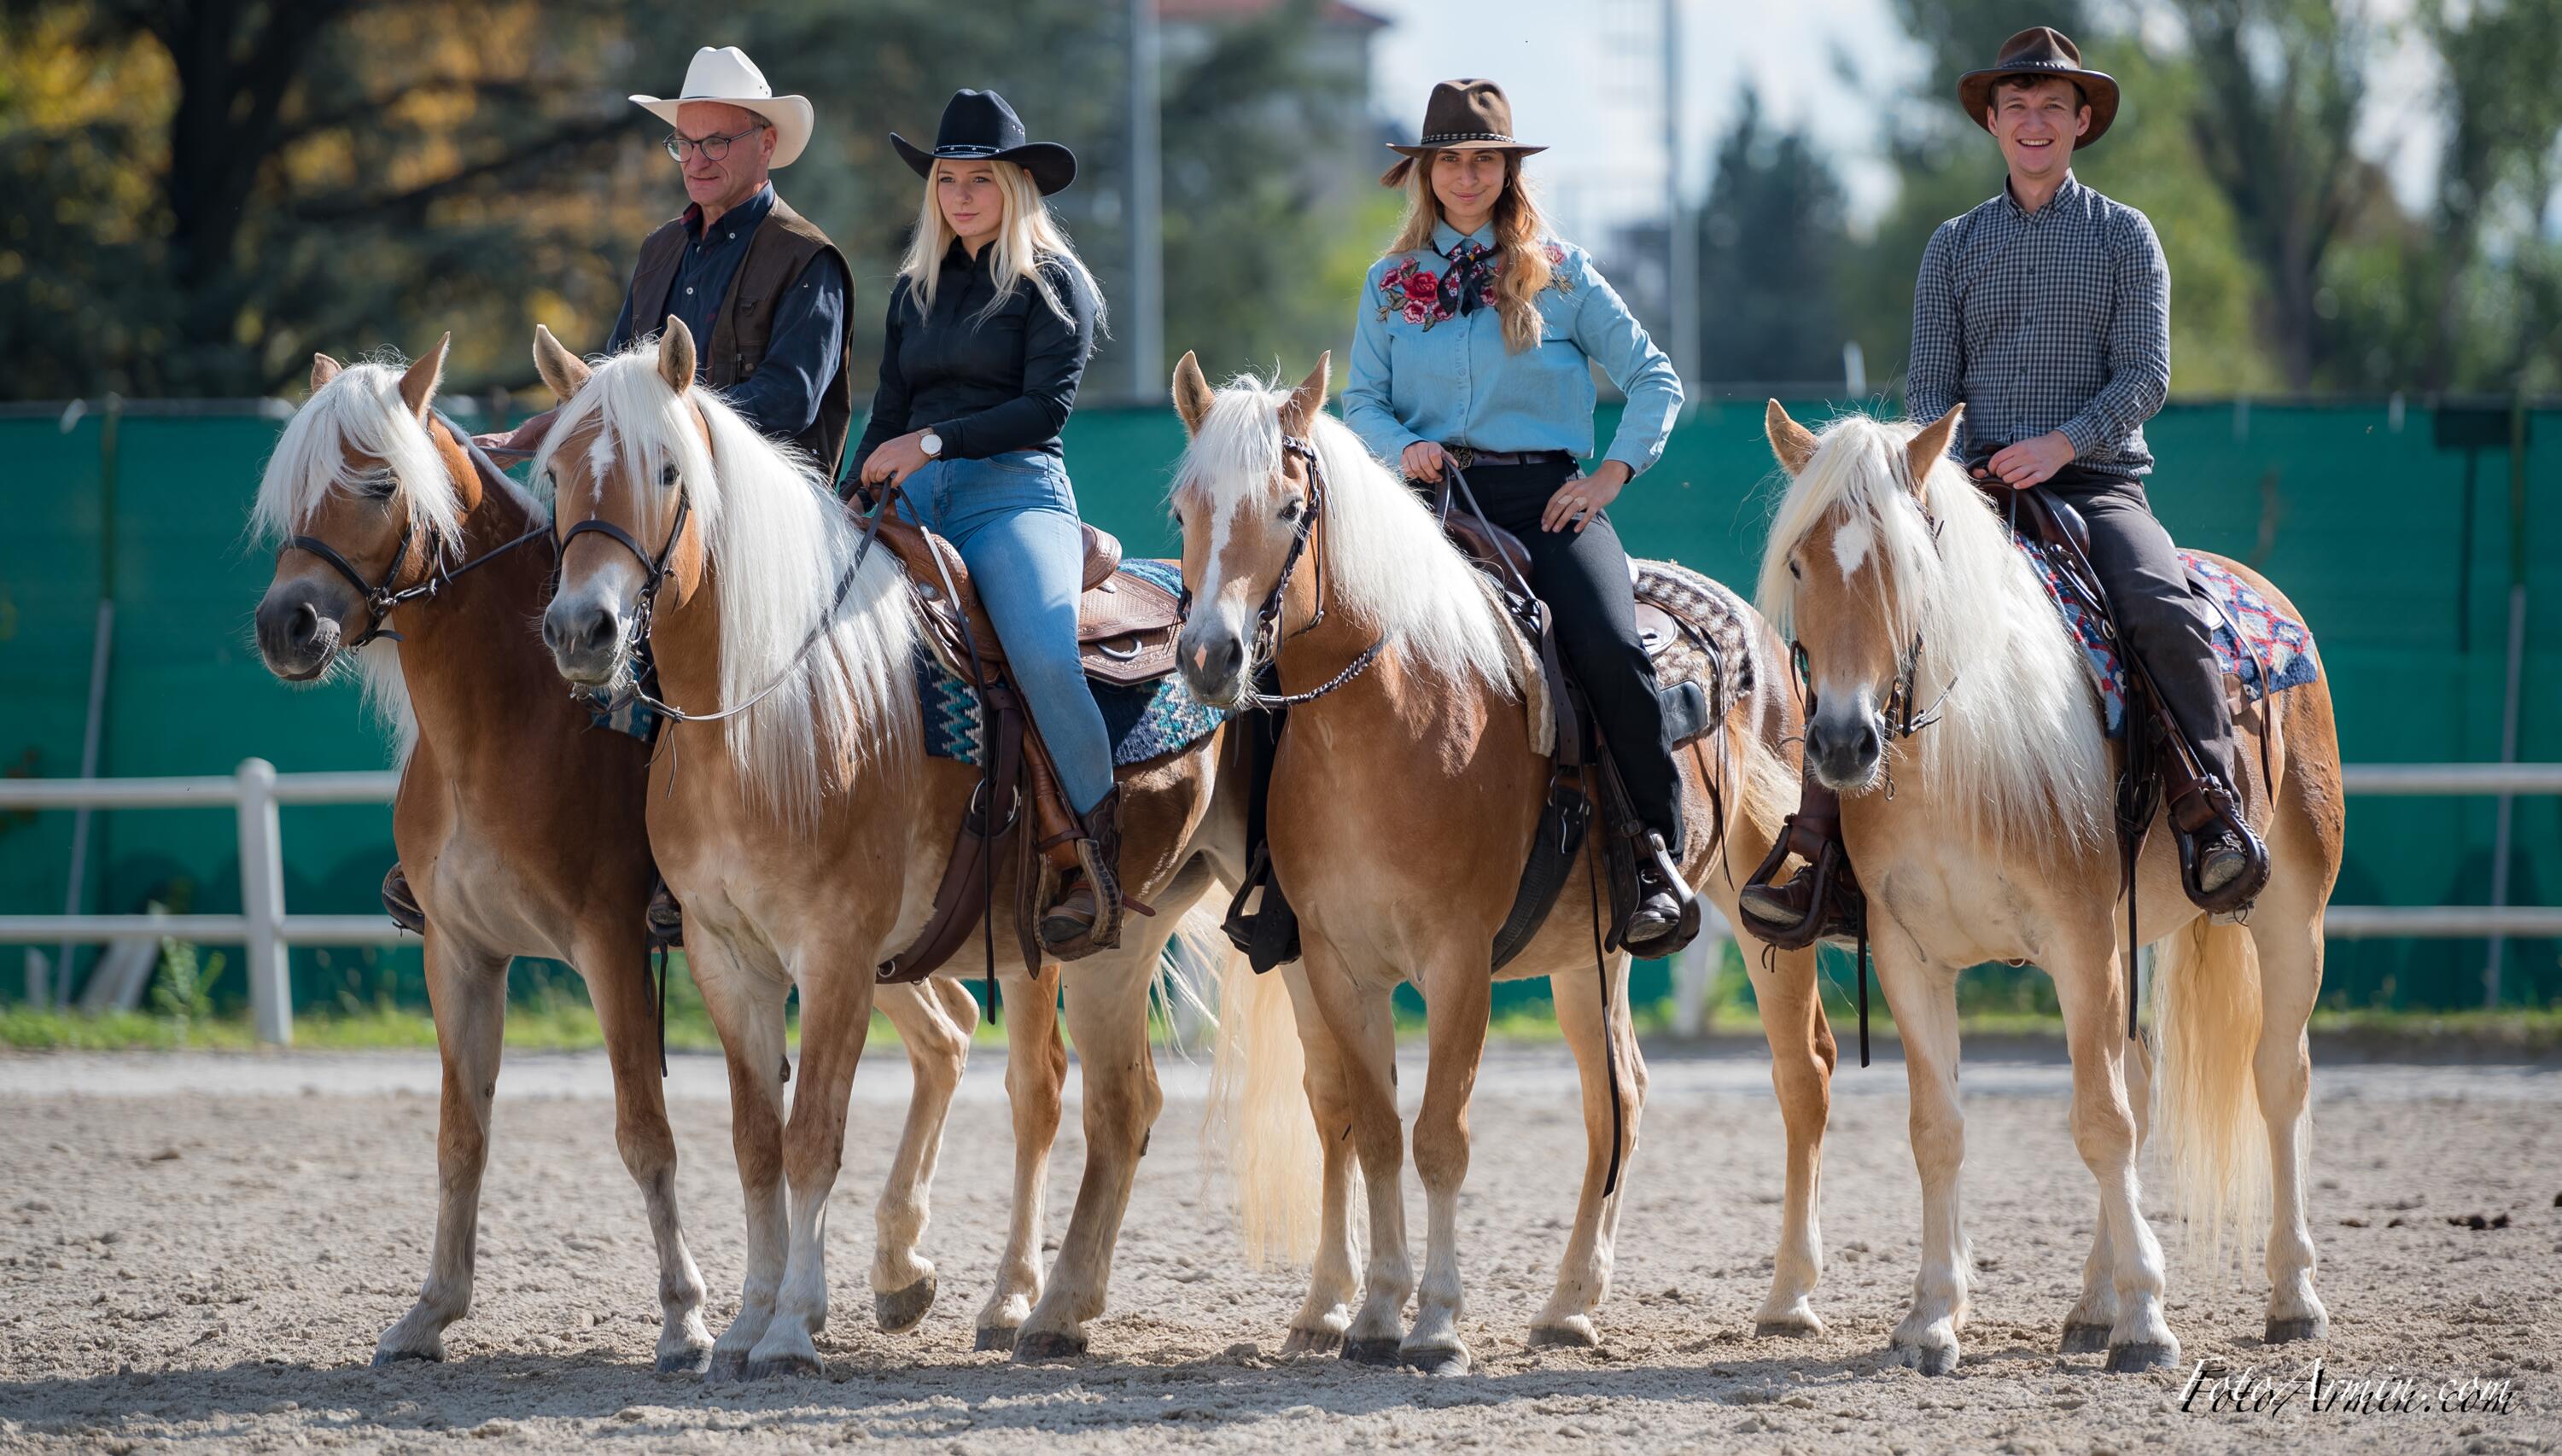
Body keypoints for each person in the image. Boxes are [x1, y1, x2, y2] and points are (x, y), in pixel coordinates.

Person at [1738, 26, 2267, 948]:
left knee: (2160, 608)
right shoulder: (1952, 247)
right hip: (1963, 494)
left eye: (2051, 107)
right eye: (2015, 105)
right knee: (1858, 617)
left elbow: (2145, 375)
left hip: (2098, 487)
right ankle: (1820, 849)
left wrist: (2061, 445)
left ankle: (2208, 810)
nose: (2033, 121)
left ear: (2080, 123)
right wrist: (1949, 467)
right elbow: (1930, 389)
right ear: (1991, 121)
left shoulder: (2125, 237)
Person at [386, 44, 855, 940]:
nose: (698, 159)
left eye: (718, 141)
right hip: (649, 505)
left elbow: (791, 401)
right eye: (686, 143)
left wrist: (665, 426)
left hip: (764, 527)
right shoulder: (659, 252)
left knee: (653, 634)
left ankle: (672, 858)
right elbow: (605, 383)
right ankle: (467, 831)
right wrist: (542, 431)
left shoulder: (810, 259)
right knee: (527, 589)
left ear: (765, 144)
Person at [1340, 78, 1695, 952]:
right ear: (1424, 173)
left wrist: (1609, 476)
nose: (1467, 176)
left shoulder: (1562, 272)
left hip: (1548, 505)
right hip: (1420, 511)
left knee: (1611, 649)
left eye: (1484, 159)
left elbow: (1655, 378)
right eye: (1450, 160)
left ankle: (1653, 857)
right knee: (1315, 638)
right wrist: (1400, 448)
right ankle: (1281, 871)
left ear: (1508, 171)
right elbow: (1361, 403)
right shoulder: (1388, 284)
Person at [846, 89, 1123, 955]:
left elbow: (1044, 409)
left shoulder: (1053, 282)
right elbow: (890, 407)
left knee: (1043, 657)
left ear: (1014, 189)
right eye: (946, 180)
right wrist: (852, 487)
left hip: (1014, 493)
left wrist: (933, 441)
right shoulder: (915, 287)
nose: (960, 195)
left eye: (979, 180)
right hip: (911, 496)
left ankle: (1090, 858)